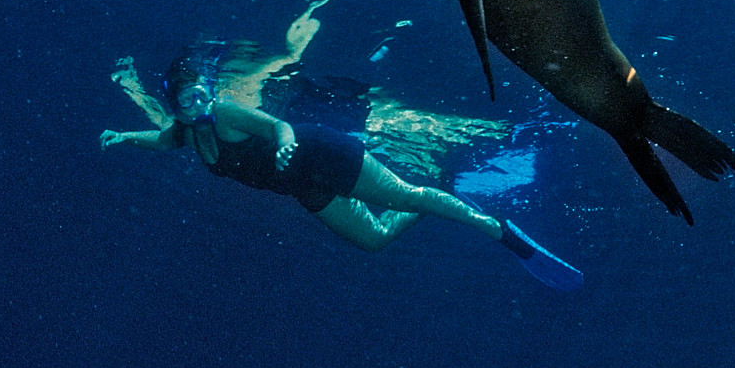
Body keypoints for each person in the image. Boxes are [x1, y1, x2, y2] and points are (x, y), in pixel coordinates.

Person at [102, 56, 583, 289]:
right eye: (187, 99)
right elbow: (160, 140)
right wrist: (124, 138)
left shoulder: (225, 113)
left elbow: (279, 126)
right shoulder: (186, 133)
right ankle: (437, 196)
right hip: (302, 187)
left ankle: (501, 232)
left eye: (202, 91)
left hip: (318, 154)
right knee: (373, 240)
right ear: (177, 107)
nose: (199, 101)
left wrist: (287, 148)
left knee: (402, 197)